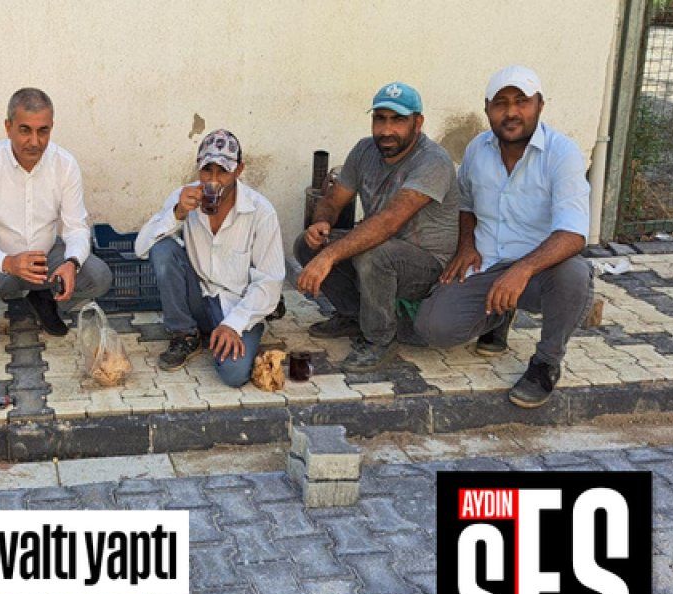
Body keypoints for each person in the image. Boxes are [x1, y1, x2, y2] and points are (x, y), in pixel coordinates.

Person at [417, 66, 594, 408]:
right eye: (500, 103)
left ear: (540, 105)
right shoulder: (477, 149)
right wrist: (466, 245)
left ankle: (546, 363)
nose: (511, 112)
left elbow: (573, 233)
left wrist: (522, 270)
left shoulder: (562, 153)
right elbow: (466, 203)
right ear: (487, 109)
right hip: (487, 263)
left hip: (539, 272)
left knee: (574, 273)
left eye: (521, 101)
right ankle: (498, 315)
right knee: (433, 328)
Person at [294, 82, 459, 371]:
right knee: (306, 245)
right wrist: (321, 222)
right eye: (380, 119)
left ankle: (380, 339)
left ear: (418, 123)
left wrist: (329, 257)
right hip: (383, 248)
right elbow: (333, 200)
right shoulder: (364, 150)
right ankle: (353, 315)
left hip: (428, 264)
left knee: (373, 255)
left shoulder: (434, 161)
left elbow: (389, 222)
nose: (386, 130)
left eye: (398, 120)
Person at [0, 87, 112, 349]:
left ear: (51, 128)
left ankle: (44, 299)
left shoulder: (65, 164)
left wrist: (72, 263)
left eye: (43, 131)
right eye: (25, 130)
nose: (34, 141)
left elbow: (76, 227)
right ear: (8, 127)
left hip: (46, 256)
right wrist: (8, 262)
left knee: (99, 277)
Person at [133, 130, 284, 387]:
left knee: (234, 374)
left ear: (238, 170)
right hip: (197, 296)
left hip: (236, 304)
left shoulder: (260, 211)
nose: (213, 180)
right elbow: (141, 248)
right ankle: (185, 333)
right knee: (162, 249)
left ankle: (238, 328)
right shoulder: (185, 197)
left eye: (223, 172)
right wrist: (177, 213)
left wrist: (234, 324)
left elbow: (270, 281)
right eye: (206, 170)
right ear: (198, 168)